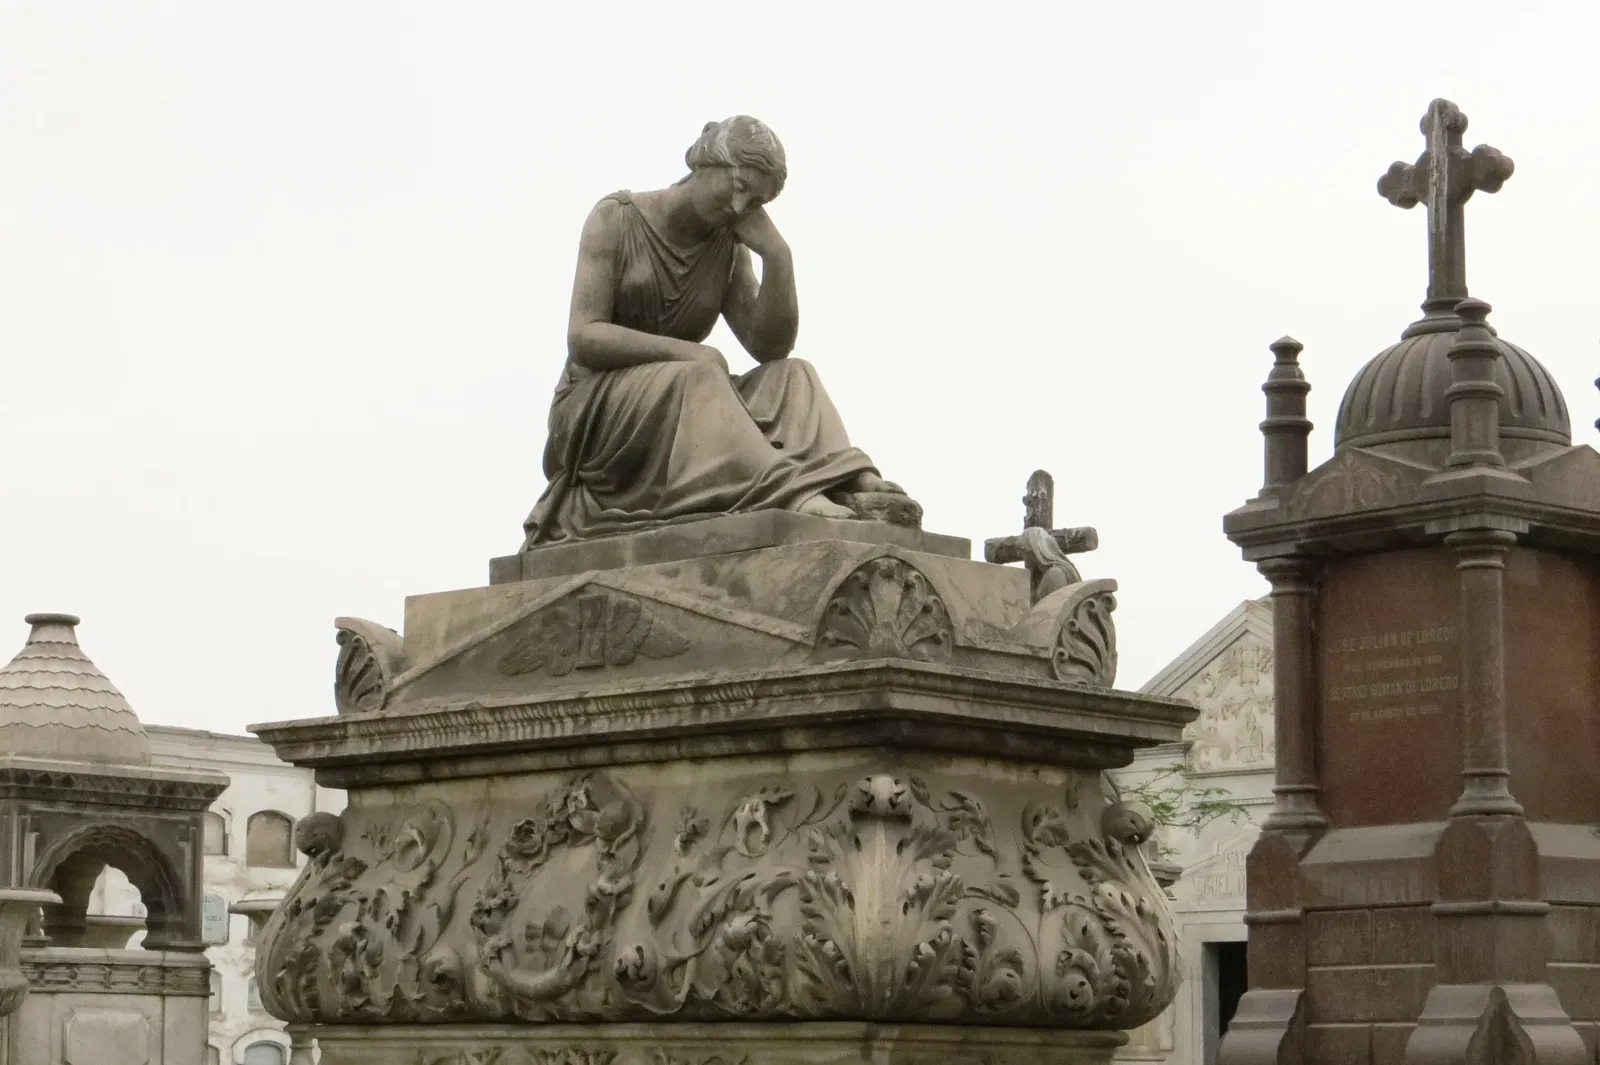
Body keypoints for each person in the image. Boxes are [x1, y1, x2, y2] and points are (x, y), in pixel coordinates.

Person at [522, 115, 901, 547]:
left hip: (680, 397)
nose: (740, 208)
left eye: (756, 201)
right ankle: (790, 492)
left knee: (793, 375)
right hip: (594, 409)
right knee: (697, 373)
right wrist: (692, 354)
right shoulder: (616, 218)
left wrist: (777, 256)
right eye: (739, 187)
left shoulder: (727, 247)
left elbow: (769, 347)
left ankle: (848, 479)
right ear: (706, 162)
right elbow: (585, 336)